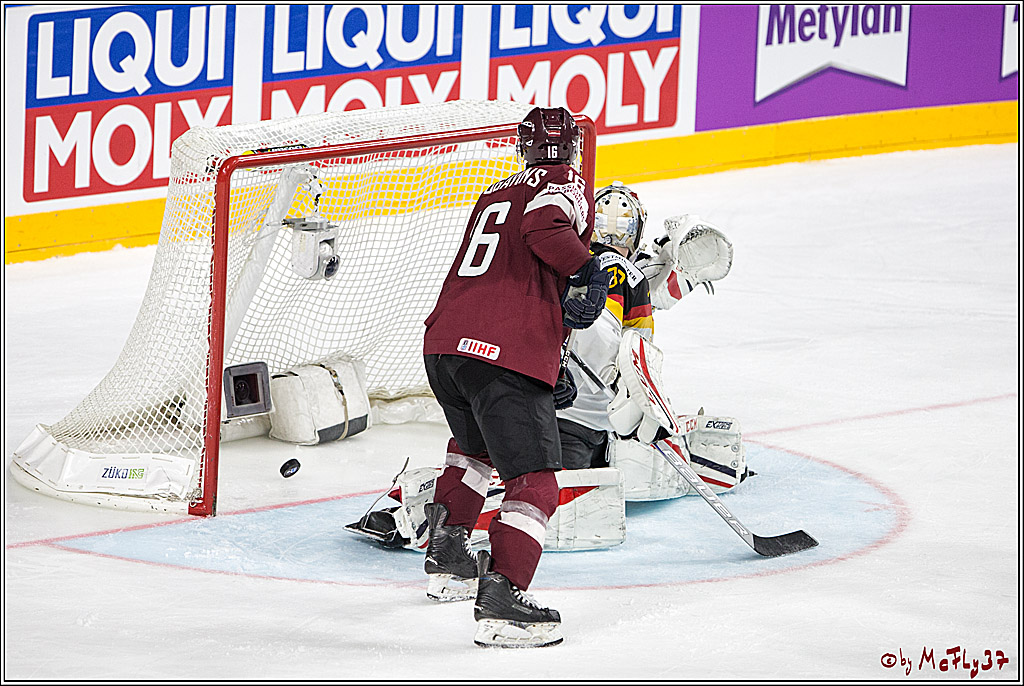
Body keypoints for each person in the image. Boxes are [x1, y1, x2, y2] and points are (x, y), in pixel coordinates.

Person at [419, 106, 608, 648]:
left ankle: (449, 558)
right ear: (573, 144)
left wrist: (550, 355)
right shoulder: (566, 181)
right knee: (535, 481)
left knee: (474, 450)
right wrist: (590, 268)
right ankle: (503, 597)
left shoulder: (495, 193)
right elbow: (544, 227)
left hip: (445, 345)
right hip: (504, 350)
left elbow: (508, 266)